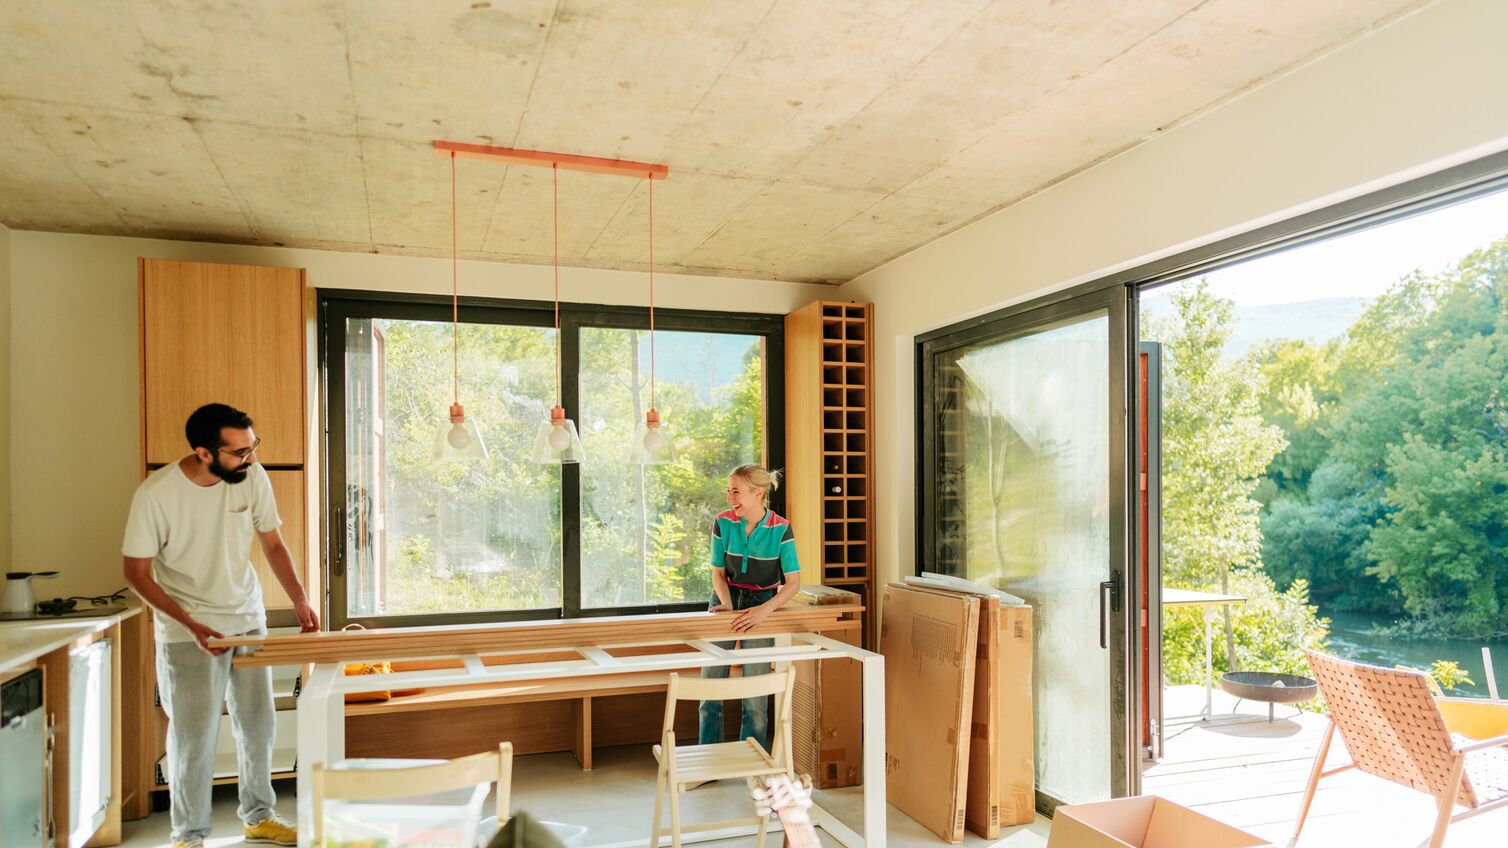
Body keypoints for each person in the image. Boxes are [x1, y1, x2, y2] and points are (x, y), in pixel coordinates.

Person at [122, 403, 319, 848]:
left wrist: (300, 599)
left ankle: (259, 815)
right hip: (186, 629)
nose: (250, 457)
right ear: (204, 452)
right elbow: (134, 572)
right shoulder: (156, 495)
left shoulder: (251, 475)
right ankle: (188, 835)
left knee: (258, 724)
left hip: (246, 619)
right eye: (239, 451)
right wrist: (190, 624)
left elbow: (272, 542)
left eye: (253, 447)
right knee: (194, 736)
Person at [700, 464, 801, 751]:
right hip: (725, 599)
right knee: (710, 689)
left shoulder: (781, 528)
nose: (730, 498)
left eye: (736, 492)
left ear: (758, 493)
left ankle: (754, 766)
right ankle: (709, 761)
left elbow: (793, 583)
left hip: (762, 604)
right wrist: (727, 604)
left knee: (755, 695)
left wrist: (764, 611)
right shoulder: (723, 522)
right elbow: (717, 572)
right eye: (728, 491)